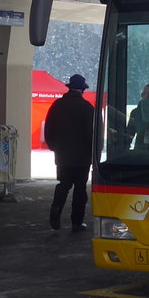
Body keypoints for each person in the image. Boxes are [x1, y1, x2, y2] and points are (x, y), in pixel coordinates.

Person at [44, 74, 95, 232]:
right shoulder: (87, 108)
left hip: (63, 155)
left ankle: (56, 208)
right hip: (82, 156)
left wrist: (55, 147)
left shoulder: (57, 105)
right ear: (82, 90)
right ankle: (76, 222)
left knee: (63, 185)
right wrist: (93, 151)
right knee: (80, 189)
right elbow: (91, 134)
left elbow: (48, 129)